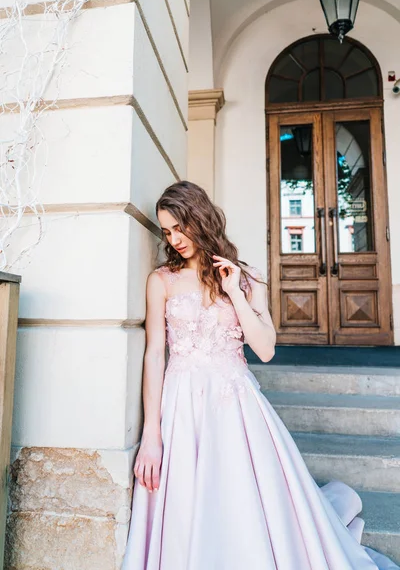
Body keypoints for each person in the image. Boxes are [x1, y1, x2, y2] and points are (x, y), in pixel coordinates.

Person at [122, 181, 398, 570]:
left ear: (199, 219)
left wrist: (234, 291)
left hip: (235, 405)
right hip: (181, 405)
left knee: (241, 497)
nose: (175, 238)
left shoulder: (247, 278)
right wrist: (151, 434)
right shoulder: (161, 281)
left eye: (180, 227)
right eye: (167, 231)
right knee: (188, 501)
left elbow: (265, 350)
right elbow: (154, 355)